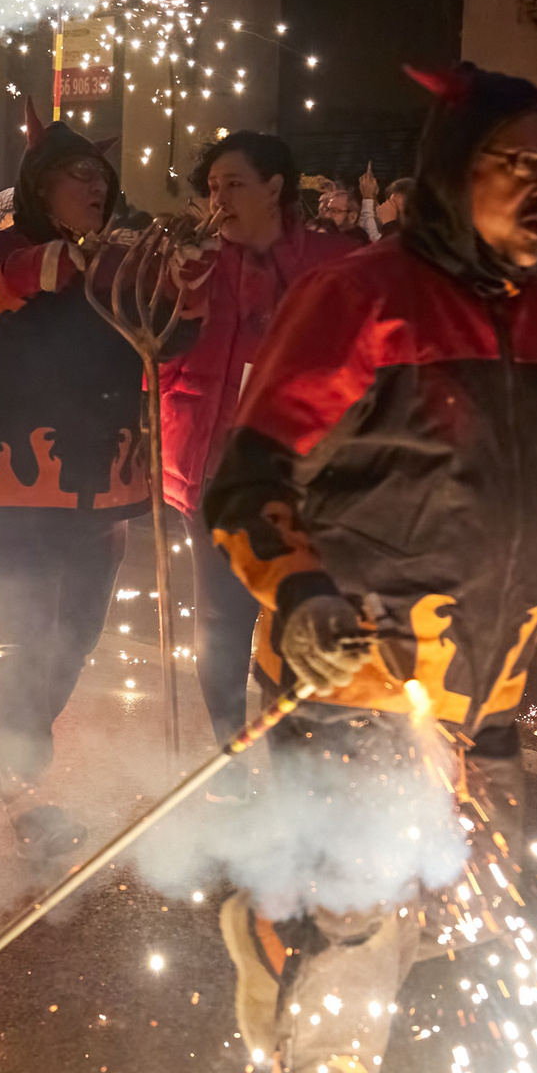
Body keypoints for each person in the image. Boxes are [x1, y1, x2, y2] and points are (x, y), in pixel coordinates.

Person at [202, 60, 537, 1073]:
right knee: (363, 924)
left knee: (440, 919)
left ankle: (266, 926)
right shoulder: (362, 296)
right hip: (354, 679)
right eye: (519, 167)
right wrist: (295, 598)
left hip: (486, 692)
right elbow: (242, 482)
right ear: (453, 174)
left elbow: (512, 504)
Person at [0, 109, 201, 857]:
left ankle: (18, 758)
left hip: (104, 482)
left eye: (101, 175)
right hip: (14, 485)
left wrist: (189, 291)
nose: (96, 184)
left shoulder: (121, 260)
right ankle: (24, 784)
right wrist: (32, 271)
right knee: (21, 639)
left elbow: (168, 339)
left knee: (76, 638)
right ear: (40, 187)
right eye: (79, 172)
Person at [160, 132, 353, 757]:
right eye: (212, 188)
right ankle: (225, 755)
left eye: (234, 184)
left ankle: (295, 769)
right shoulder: (195, 264)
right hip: (215, 470)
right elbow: (150, 350)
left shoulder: (334, 260)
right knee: (219, 622)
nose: (219, 199)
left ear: (276, 187)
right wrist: (173, 291)